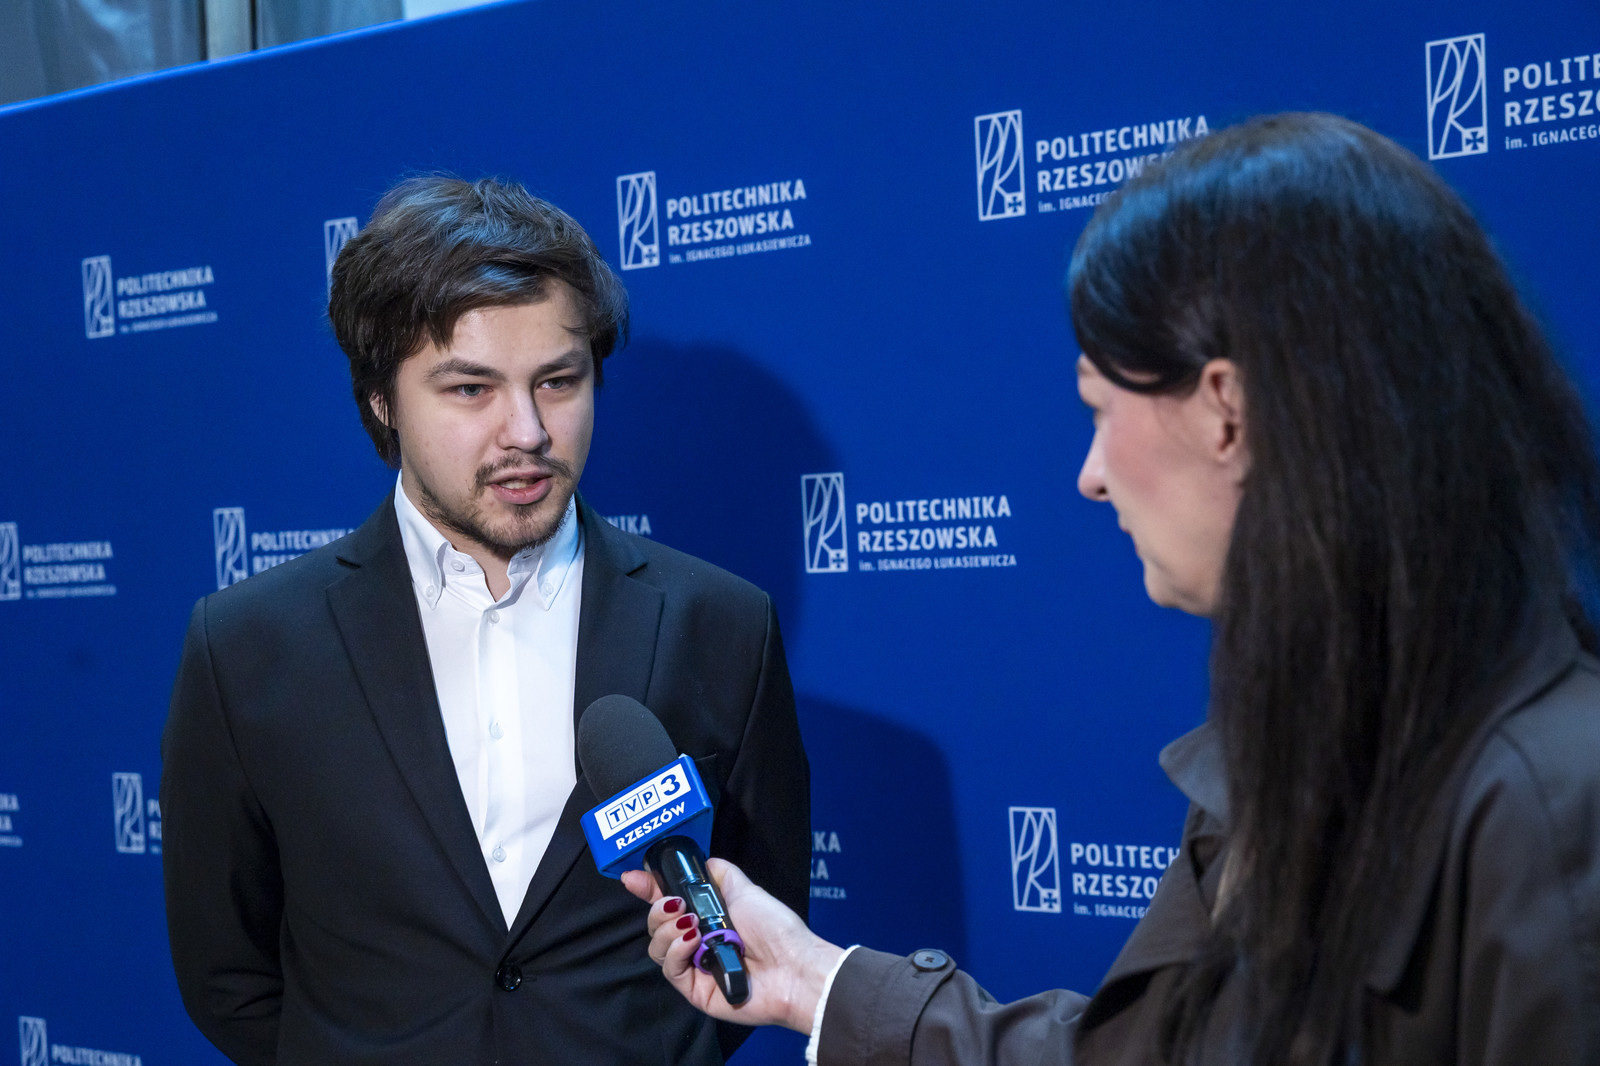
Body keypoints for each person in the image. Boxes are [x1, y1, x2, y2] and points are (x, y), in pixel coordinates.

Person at [624, 112, 1600, 1065]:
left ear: (1225, 410)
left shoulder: (1552, 802)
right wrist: (816, 981)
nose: (1090, 477)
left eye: (1099, 406)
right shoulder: (1308, 734)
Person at [161, 176, 810, 1066]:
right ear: (382, 400)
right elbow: (226, 972)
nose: (528, 431)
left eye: (559, 381)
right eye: (471, 389)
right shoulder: (245, 647)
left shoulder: (724, 625)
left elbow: (757, 926)